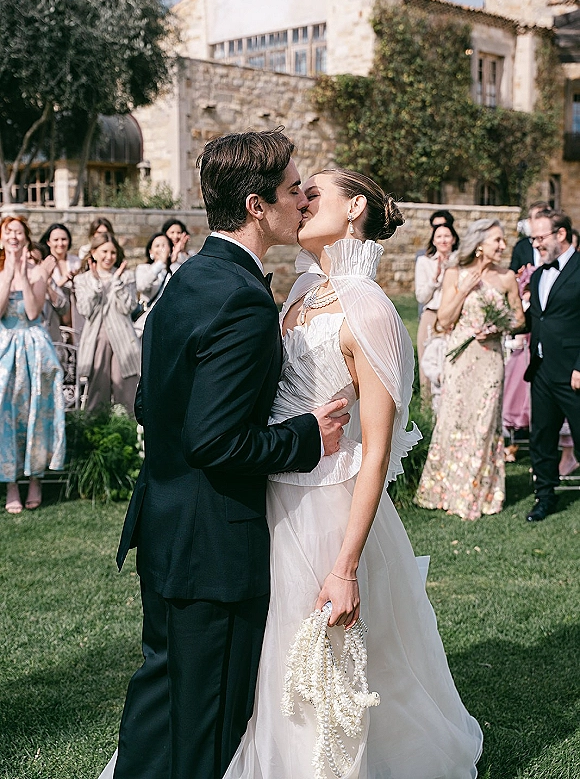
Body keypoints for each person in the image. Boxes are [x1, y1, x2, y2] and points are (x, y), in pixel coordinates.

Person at [100, 130, 348, 779]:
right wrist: (304, 435)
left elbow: (152, 405)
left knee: (162, 709)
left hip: (165, 529)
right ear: (257, 204)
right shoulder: (241, 298)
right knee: (209, 733)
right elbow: (217, 440)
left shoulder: (188, 279)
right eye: (294, 189)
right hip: (214, 549)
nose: (304, 200)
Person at [221, 168, 482, 779]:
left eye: (315, 192)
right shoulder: (299, 290)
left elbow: (376, 452)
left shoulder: (370, 309)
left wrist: (344, 567)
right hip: (272, 497)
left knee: (332, 666)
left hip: (331, 512)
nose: (301, 201)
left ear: (355, 205)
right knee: (272, 659)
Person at [415, 219, 524, 520]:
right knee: (454, 420)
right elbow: (443, 322)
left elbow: (519, 318)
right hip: (460, 359)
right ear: (479, 244)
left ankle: (478, 495)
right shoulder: (455, 273)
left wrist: (499, 325)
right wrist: (464, 288)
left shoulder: (507, 278)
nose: (503, 246)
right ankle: (444, 491)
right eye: (497, 240)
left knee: (484, 424)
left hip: (490, 361)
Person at [0, 216, 65, 513]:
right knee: (5, 414)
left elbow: (31, 310)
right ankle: (11, 482)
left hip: (33, 348)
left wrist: (23, 273)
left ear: (26, 237)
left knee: (36, 413)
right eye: (8, 231)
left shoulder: (38, 271)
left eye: (18, 232)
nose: (13, 236)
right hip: (5, 347)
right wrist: (9, 269)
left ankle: (35, 478)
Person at [524, 209, 580, 521]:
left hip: (573, 371)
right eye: (533, 239)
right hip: (541, 369)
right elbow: (538, 319)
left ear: (561, 234)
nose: (536, 244)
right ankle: (544, 497)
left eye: (540, 238)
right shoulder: (536, 274)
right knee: (541, 438)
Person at [74, 233, 140, 415]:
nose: (108, 257)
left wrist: (116, 283)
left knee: (126, 392)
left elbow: (128, 307)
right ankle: (93, 435)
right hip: (96, 339)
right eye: (104, 251)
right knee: (96, 392)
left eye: (112, 252)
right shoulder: (83, 279)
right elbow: (85, 309)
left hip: (123, 339)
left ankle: (129, 435)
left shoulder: (126, 276)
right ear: (94, 253)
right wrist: (96, 285)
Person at [415, 222, 459, 402]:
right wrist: (435, 278)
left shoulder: (459, 262)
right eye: (439, 236)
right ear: (433, 240)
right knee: (428, 362)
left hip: (453, 315)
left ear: (454, 239)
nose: (443, 240)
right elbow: (421, 297)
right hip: (431, 314)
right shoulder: (424, 262)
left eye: (447, 236)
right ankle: (427, 407)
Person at [39, 223, 82, 339]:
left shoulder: (76, 261)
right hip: (53, 314)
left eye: (64, 239)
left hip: (74, 311)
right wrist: (62, 281)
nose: (60, 243)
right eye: (56, 240)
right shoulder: (44, 263)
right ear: (48, 242)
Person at [134, 232, 173, 338]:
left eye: (164, 245)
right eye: (157, 246)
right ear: (150, 251)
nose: (161, 249)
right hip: (146, 324)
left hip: (168, 324)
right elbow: (142, 286)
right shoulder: (143, 269)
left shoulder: (174, 272)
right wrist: (160, 263)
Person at [509, 200, 550, 273]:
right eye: (538, 218)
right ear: (529, 221)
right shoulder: (521, 246)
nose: (542, 222)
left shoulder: (556, 245)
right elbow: (513, 272)